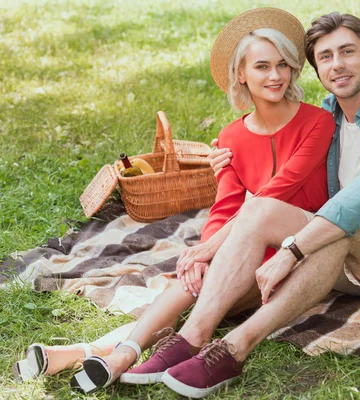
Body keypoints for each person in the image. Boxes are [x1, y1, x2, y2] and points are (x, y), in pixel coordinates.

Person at [130, 11, 360, 399]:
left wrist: (292, 250)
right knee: (263, 210)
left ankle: (234, 348)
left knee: (342, 224)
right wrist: (228, 164)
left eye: (348, 52)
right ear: (316, 68)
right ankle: (192, 337)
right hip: (339, 256)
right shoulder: (329, 116)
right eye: (325, 57)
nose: (337, 65)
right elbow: (279, 178)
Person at [12, 8, 335, 394]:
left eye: (283, 65)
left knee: (202, 293)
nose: (275, 75)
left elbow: (278, 191)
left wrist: (210, 250)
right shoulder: (230, 137)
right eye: (262, 66)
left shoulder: (317, 121)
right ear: (240, 74)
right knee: (198, 287)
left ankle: (104, 353)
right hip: (250, 246)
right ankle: (95, 353)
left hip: (301, 243)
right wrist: (204, 252)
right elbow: (226, 207)